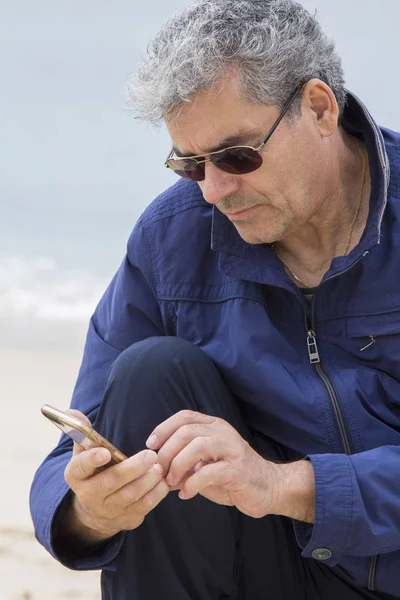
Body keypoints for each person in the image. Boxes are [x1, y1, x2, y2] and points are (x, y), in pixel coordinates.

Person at [30, 0, 400, 598]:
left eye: (236, 156)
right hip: (274, 566)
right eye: (190, 164)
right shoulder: (171, 238)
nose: (215, 191)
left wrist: (285, 485)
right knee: (152, 372)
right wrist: (91, 510)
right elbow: (67, 454)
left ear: (320, 108)